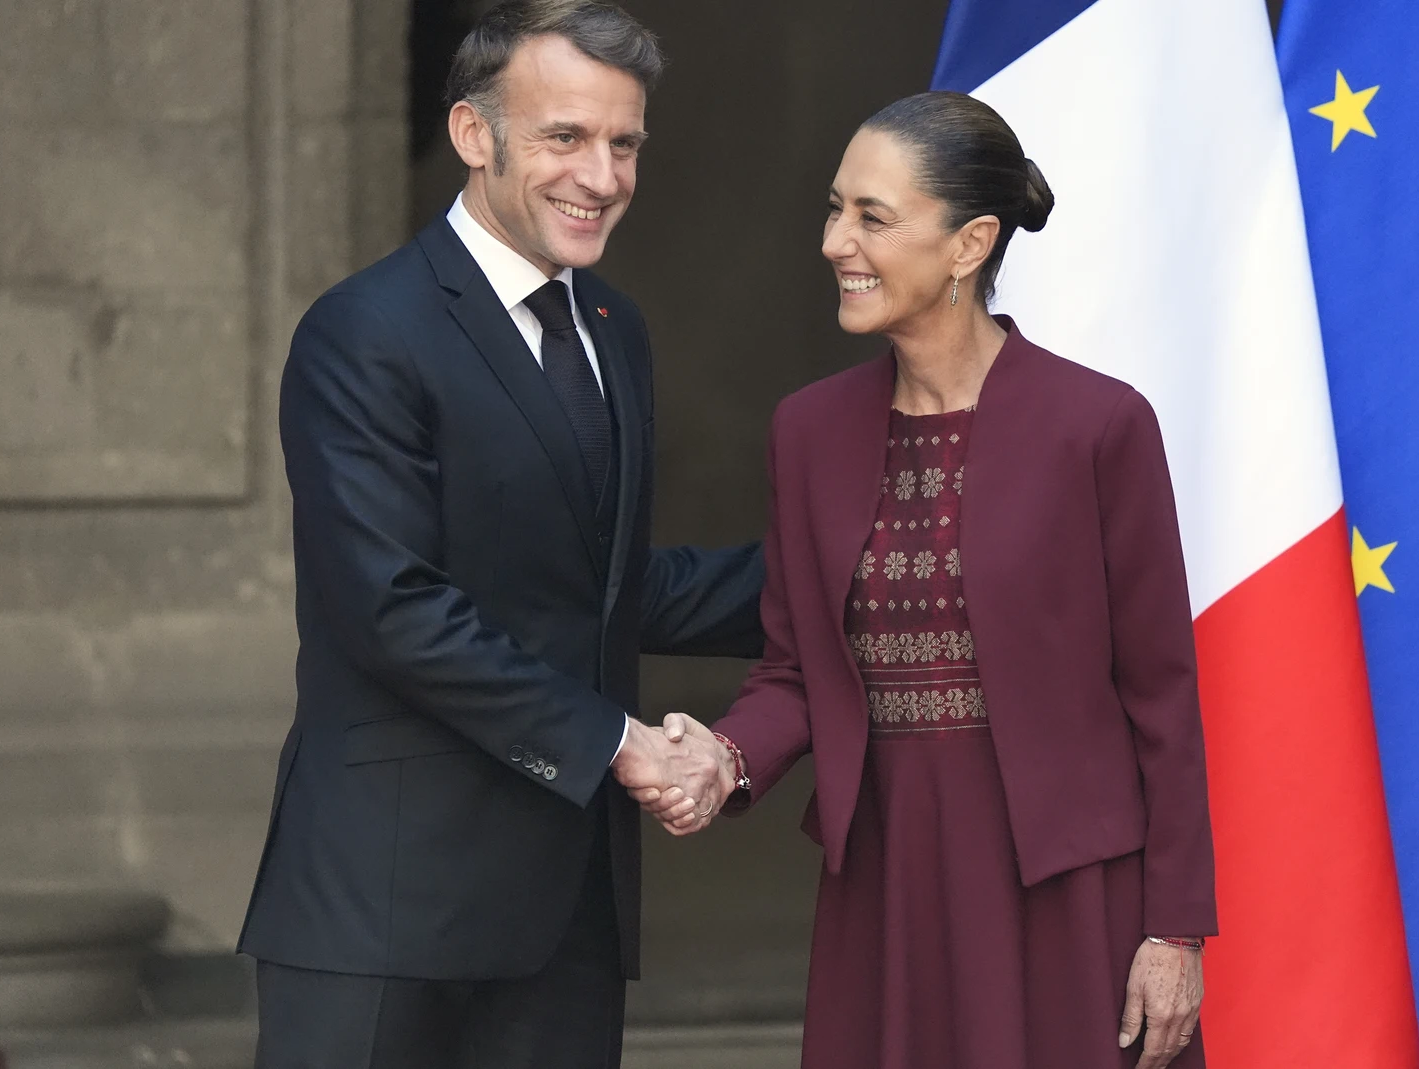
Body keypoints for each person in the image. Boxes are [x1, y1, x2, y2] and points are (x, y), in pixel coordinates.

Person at [637, 92, 1216, 1068]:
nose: (834, 241)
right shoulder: (806, 431)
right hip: (888, 884)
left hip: (1068, 896)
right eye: (833, 209)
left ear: (968, 243)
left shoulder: (1100, 425)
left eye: (871, 215)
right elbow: (793, 670)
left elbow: (1161, 694)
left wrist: (1174, 931)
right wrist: (723, 758)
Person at [238, 4, 763, 1067]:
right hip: (385, 910)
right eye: (565, 137)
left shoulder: (615, 331)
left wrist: (861, 576)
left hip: (566, 919)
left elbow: (601, 584)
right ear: (476, 136)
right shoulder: (365, 331)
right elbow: (393, 606)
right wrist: (620, 744)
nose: (602, 175)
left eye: (623, 144)